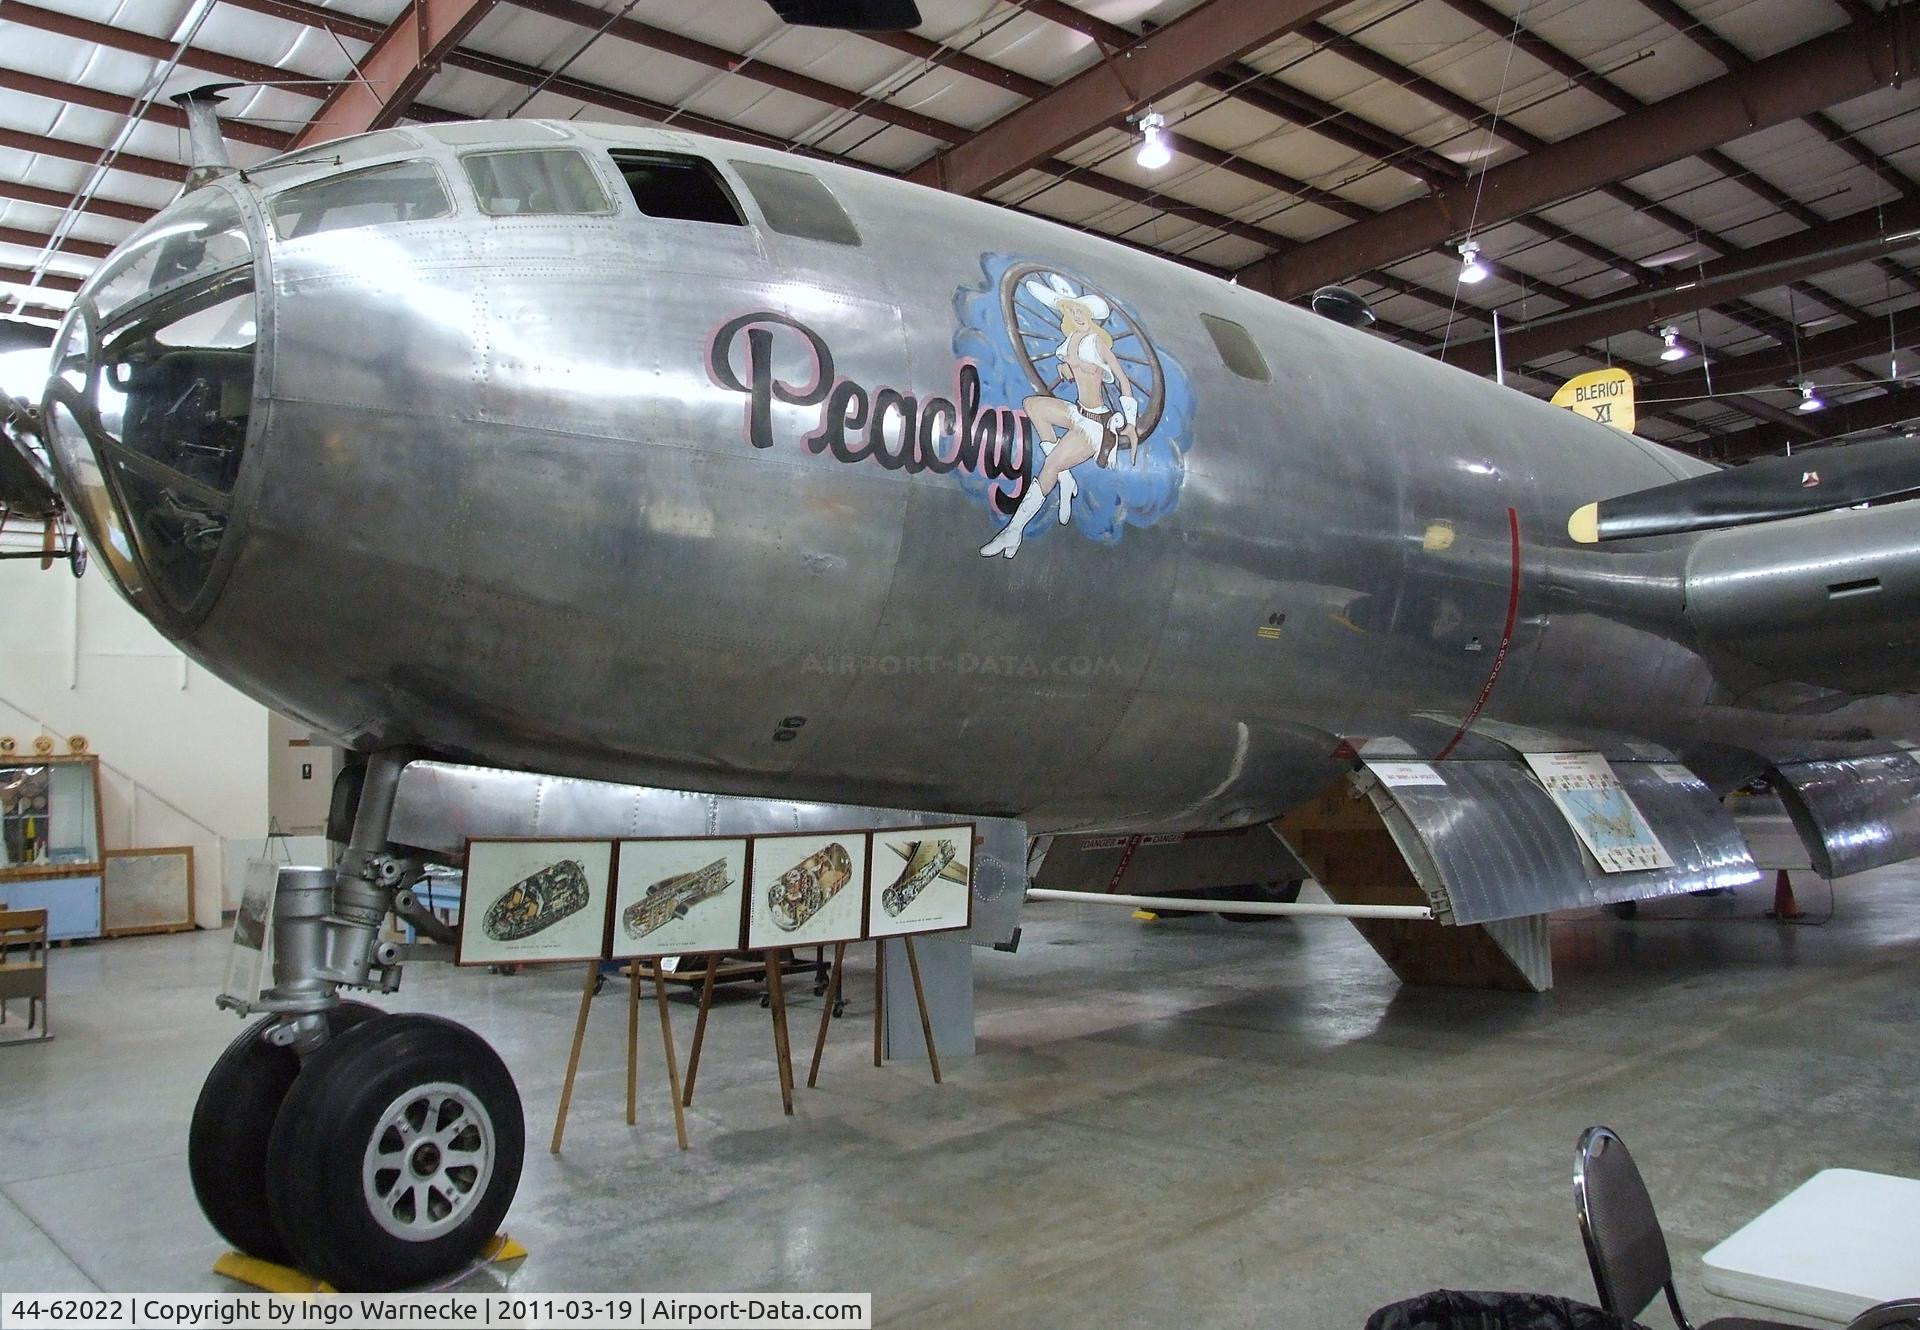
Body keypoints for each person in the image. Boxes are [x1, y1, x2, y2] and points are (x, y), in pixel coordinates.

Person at [980, 273, 1140, 558]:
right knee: (1033, 405)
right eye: (1072, 310)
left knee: (1049, 467)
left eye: (1081, 311)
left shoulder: (1097, 342)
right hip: (1077, 413)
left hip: (1095, 424)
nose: (1077, 315)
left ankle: (1012, 531)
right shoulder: (1069, 343)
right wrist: (1066, 370)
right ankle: (1065, 477)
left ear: (1089, 315)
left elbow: (1122, 379)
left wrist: (1128, 420)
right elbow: (1066, 371)